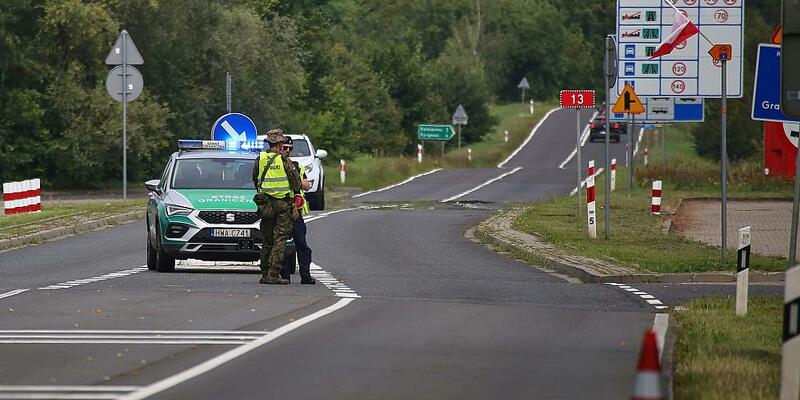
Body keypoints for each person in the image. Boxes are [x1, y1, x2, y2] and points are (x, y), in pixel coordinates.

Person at [252, 129, 303, 285]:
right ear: (280, 144)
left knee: (267, 240)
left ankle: (264, 273)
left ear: (269, 143)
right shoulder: (283, 160)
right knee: (280, 239)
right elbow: (297, 183)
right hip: (282, 205)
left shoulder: (260, 159)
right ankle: (274, 274)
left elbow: (255, 180)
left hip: (265, 205)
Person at [279, 137, 316, 284]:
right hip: (280, 210)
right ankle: (284, 275)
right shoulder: (275, 165)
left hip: (296, 211)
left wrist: (297, 181)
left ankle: (305, 275)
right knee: (282, 244)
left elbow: (306, 185)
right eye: (285, 148)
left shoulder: (297, 166)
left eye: (290, 148)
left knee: (301, 243)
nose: (287, 151)